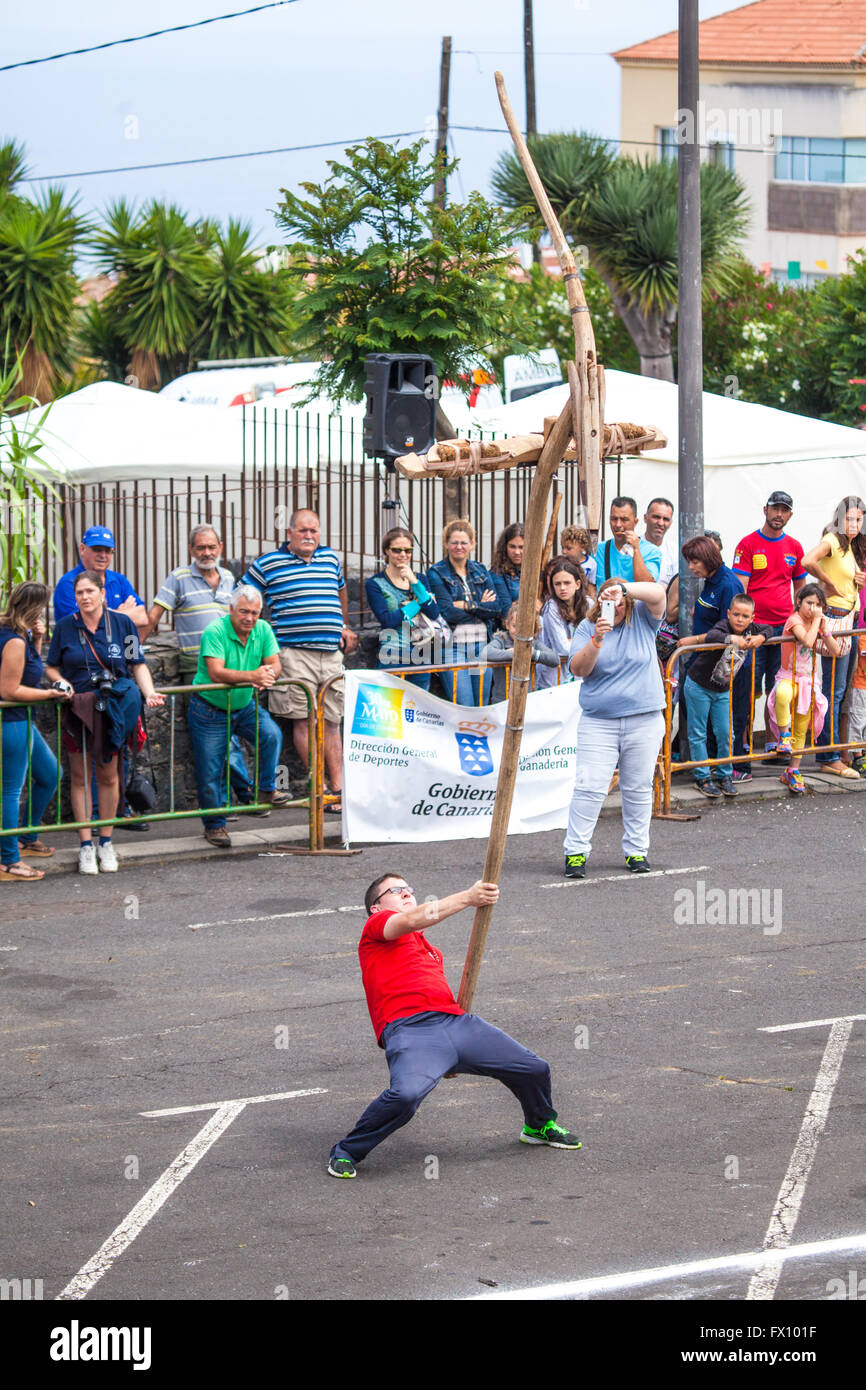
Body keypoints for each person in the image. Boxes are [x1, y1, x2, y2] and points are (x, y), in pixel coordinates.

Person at [327, 873, 582, 1179]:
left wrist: (452, 1051)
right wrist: (468, 897)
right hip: (410, 1030)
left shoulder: (431, 951)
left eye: (409, 889)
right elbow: (410, 921)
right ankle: (346, 1151)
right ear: (375, 907)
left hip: (456, 1023)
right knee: (406, 1096)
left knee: (534, 1069)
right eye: (396, 890)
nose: (407, 893)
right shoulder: (376, 929)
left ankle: (538, 1126)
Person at [45, 570, 164, 875]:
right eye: (79, 593)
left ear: (101, 593)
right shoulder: (65, 627)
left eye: (89, 591)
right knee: (80, 776)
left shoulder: (121, 624)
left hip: (113, 708)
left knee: (109, 775)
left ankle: (106, 842)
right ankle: (86, 846)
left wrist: (149, 693)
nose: (84, 597)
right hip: (78, 707)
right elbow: (52, 668)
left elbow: (136, 664)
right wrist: (61, 684)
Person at [241, 509, 358, 815]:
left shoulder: (330, 559)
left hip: (331, 653)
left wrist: (343, 625)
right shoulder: (267, 563)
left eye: (314, 531)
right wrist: (257, 638)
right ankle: (317, 788)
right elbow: (243, 597)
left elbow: (341, 591)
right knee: (303, 721)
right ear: (289, 533)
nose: (309, 536)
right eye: (303, 530)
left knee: (333, 722)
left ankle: (339, 790)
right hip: (292, 653)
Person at [563, 576, 667, 878]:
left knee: (637, 788)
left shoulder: (643, 620)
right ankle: (575, 853)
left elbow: (659, 594)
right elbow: (579, 669)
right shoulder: (587, 627)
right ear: (599, 604)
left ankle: (637, 851)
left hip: (645, 719)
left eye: (620, 602)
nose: (616, 608)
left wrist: (624, 589)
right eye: (609, 603)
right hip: (599, 721)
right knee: (590, 787)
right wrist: (597, 639)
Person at [143, 523, 255, 806]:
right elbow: (154, 616)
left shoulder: (230, 578)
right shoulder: (179, 577)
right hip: (197, 669)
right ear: (191, 550)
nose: (206, 553)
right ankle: (242, 795)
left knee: (227, 737)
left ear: (220, 547)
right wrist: (132, 653)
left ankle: (238, 796)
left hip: (230, 666)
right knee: (217, 741)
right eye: (200, 547)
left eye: (211, 547)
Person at [188, 587, 289, 848]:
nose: (250, 617)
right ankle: (214, 826)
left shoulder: (263, 629)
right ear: (231, 610)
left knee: (271, 734)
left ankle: (264, 790)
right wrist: (255, 676)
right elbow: (216, 673)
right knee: (211, 770)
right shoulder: (215, 630)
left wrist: (268, 674)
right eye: (244, 611)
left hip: (243, 705)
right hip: (209, 709)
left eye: (255, 612)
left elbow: (275, 663)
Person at [731, 491, 807, 777]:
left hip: (784, 633)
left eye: (784, 510)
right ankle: (742, 761)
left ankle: (776, 748)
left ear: (790, 515)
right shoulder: (748, 544)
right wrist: (744, 625)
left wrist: (798, 621)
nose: (779, 514)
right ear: (765, 509)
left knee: (780, 694)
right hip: (754, 631)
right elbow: (740, 590)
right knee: (746, 694)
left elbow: (801, 590)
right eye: (775, 508)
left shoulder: (795, 547)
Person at [0, 583, 70, 883]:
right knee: (11, 790)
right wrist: (50, 695)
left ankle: (26, 836)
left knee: (51, 773)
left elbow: (29, 670)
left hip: (20, 721)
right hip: (11, 721)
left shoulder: (19, 635)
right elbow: (10, 689)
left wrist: (38, 639)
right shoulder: (13, 641)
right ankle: (8, 860)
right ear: (34, 608)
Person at [802, 495, 866, 777]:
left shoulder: (850, 547)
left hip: (848, 621)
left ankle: (831, 753)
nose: (854, 523)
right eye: (850, 518)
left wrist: (854, 582)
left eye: (859, 519)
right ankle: (827, 755)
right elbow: (807, 561)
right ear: (840, 518)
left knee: (837, 692)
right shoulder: (833, 539)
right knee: (832, 691)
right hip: (836, 620)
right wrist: (828, 585)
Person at [682, 593, 770, 799]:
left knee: (726, 734)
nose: (740, 619)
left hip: (722, 689)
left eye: (745, 616)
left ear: (752, 618)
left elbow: (769, 629)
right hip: (699, 685)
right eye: (736, 614)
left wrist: (760, 638)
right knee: (698, 733)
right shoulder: (723, 626)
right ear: (729, 614)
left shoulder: (752, 629)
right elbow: (713, 636)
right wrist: (734, 639)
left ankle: (724, 775)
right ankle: (702, 777)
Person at [766, 584, 843, 795]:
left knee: (802, 725)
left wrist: (825, 630)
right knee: (782, 694)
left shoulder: (817, 622)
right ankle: (783, 736)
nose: (813, 608)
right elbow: (808, 642)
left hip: (808, 681)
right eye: (809, 603)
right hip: (789, 676)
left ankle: (793, 770)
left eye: (818, 605)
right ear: (799, 602)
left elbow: (835, 650)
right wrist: (818, 621)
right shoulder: (795, 621)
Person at [427, 519, 502, 704]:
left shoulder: (481, 570)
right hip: (453, 647)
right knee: (463, 704)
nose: (459, 547)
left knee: (482, 704)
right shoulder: (436, 572)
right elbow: (446, 612)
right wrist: (480, 605)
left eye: (463, 542)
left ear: (472, 544)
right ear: (446, 544)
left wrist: (467, 605)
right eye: (454, 542)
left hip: (483, 646)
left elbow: (496, 608)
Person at [365, 527, 443, 691]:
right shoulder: (375, 583)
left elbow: (434, 613)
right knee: (390, 709)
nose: (403, 554)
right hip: (392, 652)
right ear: (387, 551)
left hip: (422, 650)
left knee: (418, 709)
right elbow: (387, 620)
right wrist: (417, 603)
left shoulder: (420, 578)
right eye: (396, 550)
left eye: (407, 550)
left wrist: (414, 582)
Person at [53, 526, 147, 630]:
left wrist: (105, 614)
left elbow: (142, 618)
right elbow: (86, 624)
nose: (103, 555)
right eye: (97, 550)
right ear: (82, 549)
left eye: (108, 551)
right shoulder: (68, 583)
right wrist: (122, 614)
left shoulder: (119, 580)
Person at [480, 602, 558, 702]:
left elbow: (555, 659)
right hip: (502, 700)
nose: (519, 631)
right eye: (515, 626)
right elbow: (485, 653)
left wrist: (534, 654)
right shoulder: (502, 639)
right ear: (507, 625)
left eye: (524, 627)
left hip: (526, 698)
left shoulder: (533, 643)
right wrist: (513, 654)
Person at [539, 558, 587, 688]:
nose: (562, 588)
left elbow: (600, 641)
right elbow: (563, 648)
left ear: (577, 584)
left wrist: (574, 641)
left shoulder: (589, 604)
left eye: (567, 583)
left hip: (581, 676)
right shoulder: (551, 606)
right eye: (557, 584)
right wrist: (585, 642)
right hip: (556, 678)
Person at [594, 496, 662, 586]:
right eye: (614, 519)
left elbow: (647, 585)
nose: (618, 525)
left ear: (635, 522)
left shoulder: (651, 551)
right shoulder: (598, 550)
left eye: (624, 520)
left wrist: (636, 549)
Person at [489, 522, 525, 614]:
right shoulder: (497, 573)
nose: (517, 552)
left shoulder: (539, 571)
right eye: (512, 546)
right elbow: (507, 610)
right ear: (505, 547)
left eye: (521, 547)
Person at [642, 497, 678, 587]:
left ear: (670, 523)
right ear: (645, 518)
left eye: (666, 519)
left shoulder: (675, 552)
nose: (661, 523)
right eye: (656, 517)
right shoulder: (631, 547)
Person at [560, 524, 597, 593]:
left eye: (568, 548)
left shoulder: (591, 564)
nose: (563, 551)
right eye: (562, 547)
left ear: (582, 547)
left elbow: (591, 587)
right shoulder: (561, 563)